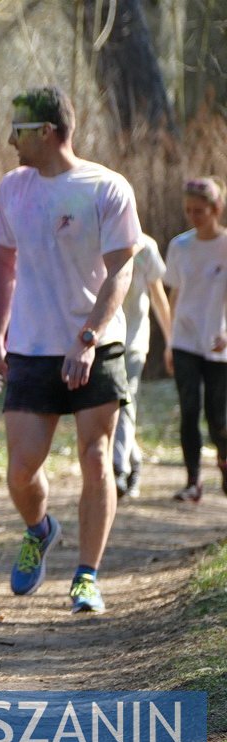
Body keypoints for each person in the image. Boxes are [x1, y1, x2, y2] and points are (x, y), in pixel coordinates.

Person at [0, 86, 141, 615]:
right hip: (30, 349)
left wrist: (90, 338)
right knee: (21, 471)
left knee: (97, 457)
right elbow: (3, 266)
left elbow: (122, 268)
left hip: (96, 345)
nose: (10, 140)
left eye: (19, 130)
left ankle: (87, 576)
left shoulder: (106, 187)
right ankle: (40, 528)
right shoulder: (12, 188)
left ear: (48, 132)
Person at [164, 176, 227, 501]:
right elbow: (175, 293)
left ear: (217, 209)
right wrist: (170, 340)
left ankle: (224, 461)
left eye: (200, 210)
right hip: (185, 339)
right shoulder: (179, 246)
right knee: (190, 409)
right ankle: (193, 482)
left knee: (218, 417)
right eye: (188, 210)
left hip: (219, 344)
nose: (193, 216)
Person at [113, 234, 172, 498]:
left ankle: (118, 469)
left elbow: (158, 295)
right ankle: (134, 460)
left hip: (134, 340)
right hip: (105, 339)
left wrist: (171, 341)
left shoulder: (146, 246)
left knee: (125, 400)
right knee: (112, 407)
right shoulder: (98, 236)